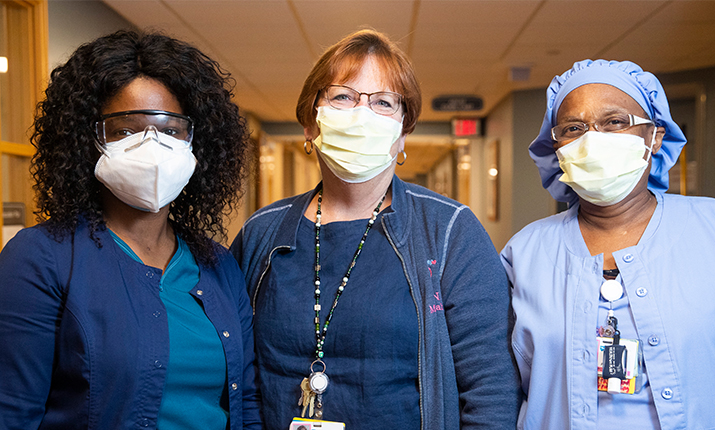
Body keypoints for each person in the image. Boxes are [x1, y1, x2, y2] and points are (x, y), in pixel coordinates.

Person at [231, 29, 519, 429]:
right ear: (310, 124)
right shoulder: (261, 234)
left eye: (383, 102)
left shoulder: (450, 231)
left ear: (403, 134)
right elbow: (238, 375)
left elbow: (491, 393)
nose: (361, 115)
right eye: (343, 97)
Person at [0, 30, 261, 429]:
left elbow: (247, 407)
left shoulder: (218, 265)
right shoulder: (39, 258)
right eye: (125, 130)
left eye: (171, 130)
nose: (151, 146)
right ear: (87, 141)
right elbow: (12, 413)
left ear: (197, 142)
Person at [501, 59, 715, 429]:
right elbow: (497, 386)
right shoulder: (525, 254)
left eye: (614, 122)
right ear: (557, 148)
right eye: (573, 127)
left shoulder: (707, 229)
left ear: (655, 135)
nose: (592, 140)